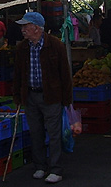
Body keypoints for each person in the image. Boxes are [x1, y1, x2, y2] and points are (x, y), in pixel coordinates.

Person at [12, 12, 72, 184]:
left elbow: (65, 74)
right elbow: (17, 74)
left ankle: (55, 169)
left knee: (54, 133)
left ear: (36, 28)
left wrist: (67, 100)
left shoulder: (55, 45)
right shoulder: (22, 48)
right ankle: (40, 165)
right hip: (30, 95)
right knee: (35, 132)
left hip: (51, 96)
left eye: (26, 26)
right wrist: (17, 95)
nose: (23, 30)